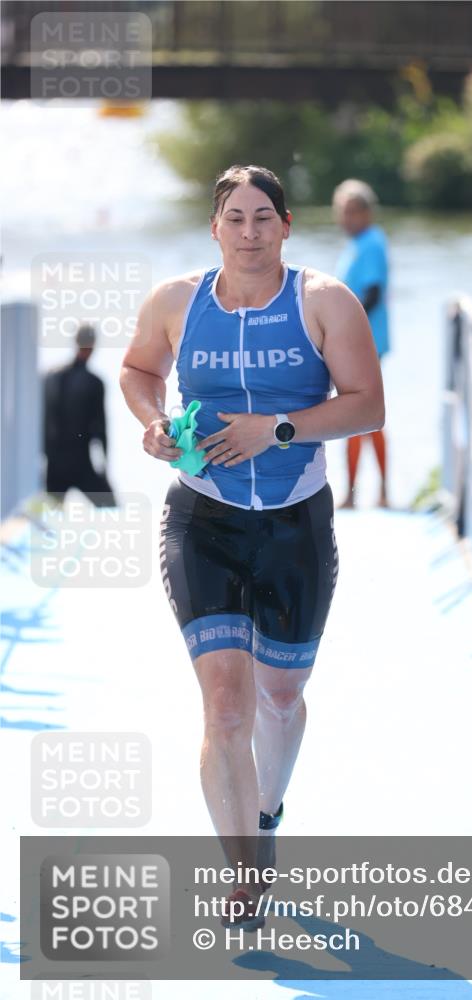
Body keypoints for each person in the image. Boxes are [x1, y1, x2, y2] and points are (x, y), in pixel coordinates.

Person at [120, 164, 384, 929]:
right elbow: (139, 371)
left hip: (295, 524)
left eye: (262, 217)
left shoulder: (323, 302)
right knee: (226, 707)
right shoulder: (175, 301)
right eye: (234, 218)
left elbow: (368, 405)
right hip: (201, 520)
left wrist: (276, 428)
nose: (248, 232)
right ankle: (243, 872)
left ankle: (266, 811)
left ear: (286, 225)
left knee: (279, 697)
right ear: (214, 229)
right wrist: (155, 421)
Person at [333, 179, 390, 508]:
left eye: (354, 212)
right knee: (359, 416)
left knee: (362, 414)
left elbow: (372, 293)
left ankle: (373, 493)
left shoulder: (371, 243)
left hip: (364, 341)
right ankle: (358, 492)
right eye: (342, 212)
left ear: (368, 213)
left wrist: (343, 327)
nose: (347, 218)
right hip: (356, 341)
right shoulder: (357, 244)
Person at [43, 323, 116, 506]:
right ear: (92, 345)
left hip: (54, 463)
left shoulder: (51, 377)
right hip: (81, 461)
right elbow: (101, 428)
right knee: (111, 508)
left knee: (49, 518)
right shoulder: (94, 382)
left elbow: (42, 421)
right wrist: (105, 467)